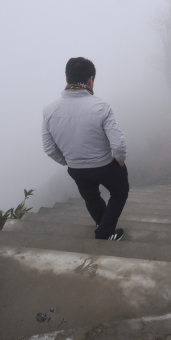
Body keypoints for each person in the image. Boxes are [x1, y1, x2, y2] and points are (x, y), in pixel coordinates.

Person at [42, 57, 128, 241]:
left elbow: (49, 148)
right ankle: (105, 232)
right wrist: (119, 160)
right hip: (105, 166)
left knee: (91, 198)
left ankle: (104, 226)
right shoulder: (101, 107)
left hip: (76, 169)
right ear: (90, 80)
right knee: (120, 192)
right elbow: (118, 144)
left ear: (66, 79)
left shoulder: (49, 110)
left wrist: (68, 161)